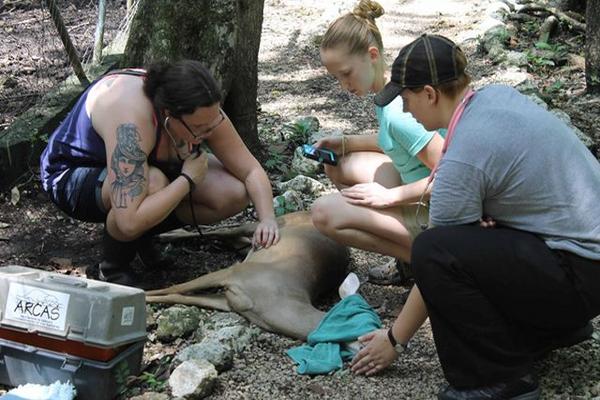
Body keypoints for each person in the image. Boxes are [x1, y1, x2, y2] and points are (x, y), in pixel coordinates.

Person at [350, 34, 600, 400]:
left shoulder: (465, 153)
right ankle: (550, 331)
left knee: (432, 250)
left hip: (580, 273)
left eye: (406, 99)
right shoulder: (497, 97)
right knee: (473, 239)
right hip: (583, 259)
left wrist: (393, 340)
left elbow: (439, 262)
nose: (405, 111)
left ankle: (499, 379)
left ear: (430, 94)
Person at [40, 60, 279, 286]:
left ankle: (144, 238)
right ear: (168, 115)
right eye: (198, 129)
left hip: (134, 178)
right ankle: (112, 266)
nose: (206, 134)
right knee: (153, 181)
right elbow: (129, 220)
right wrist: (187, 180)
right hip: (70, 176)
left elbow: (250, 170)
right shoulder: (130, 121)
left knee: (233, 192)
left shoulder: (202, 109)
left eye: (212, 124)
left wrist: (267, 219)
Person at [311, 0, 445, 285]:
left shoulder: (399, 112)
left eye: (346, 73)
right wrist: (344, 143)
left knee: (322, 213)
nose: (343, 85)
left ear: (372, 55)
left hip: (441, 215)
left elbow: (453, 175)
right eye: (336, 77)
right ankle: (411, 258)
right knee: (339, 166)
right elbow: (398, 143)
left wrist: (389, 197)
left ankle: (426, 263)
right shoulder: (391, 92)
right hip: (422, 194)